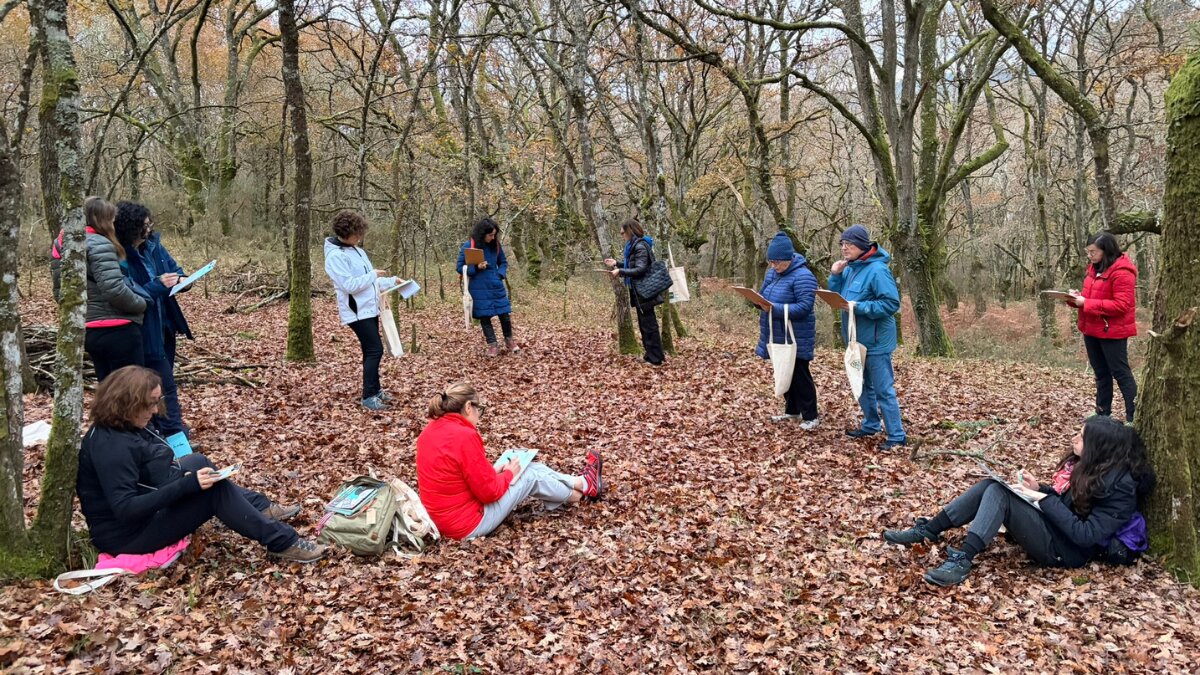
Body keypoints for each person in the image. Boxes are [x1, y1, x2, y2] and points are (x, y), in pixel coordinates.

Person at [75, 366, 326, 562]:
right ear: (127, 402)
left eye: (157, 401)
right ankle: (281, 542)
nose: (155, 410)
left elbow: (149, 470)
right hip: (127, 536)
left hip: (145, 513)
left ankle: (259, 508)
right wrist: (187, 486)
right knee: (212, 491)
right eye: (150, 403)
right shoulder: (111, 446)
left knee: (197, 461)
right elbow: (126, 508)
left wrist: (186, 479)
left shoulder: (126, 425)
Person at [883, 416, 1155, 586]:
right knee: (991, 485)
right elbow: (1069, 504)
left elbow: (1084, 535)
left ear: (1099, 448)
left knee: (999, 493)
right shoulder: (1090, 468)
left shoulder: (1119, 489)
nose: (1074, 438)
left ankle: (963, 560)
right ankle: (929, 530)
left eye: (1082, 436)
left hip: (1066, 551)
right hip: (1056, 532)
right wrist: (1040, 489)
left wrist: (1042, 499)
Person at [415, 381, 604, 540]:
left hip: (440, 521)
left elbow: (456, 477)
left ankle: (581, 486)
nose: (479, 415)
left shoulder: (428, 432)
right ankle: (581, 490)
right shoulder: (464, 435)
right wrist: (508, 474)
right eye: (479, 410)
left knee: (531, 467)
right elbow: (489, 493)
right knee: (529, 475)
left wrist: (494, 472)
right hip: (466, 525)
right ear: (468, 407)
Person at [114, 201, 194, 438]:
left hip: (164, 325)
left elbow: (176, 271)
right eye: (144, 225)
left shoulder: (154, 246)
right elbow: (129, 294)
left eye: (150, 224)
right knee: (160, 386)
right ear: (131, 228)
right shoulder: (120, 256)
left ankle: (168, 434)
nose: (149, 229)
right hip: (141, 330)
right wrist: (158, 285)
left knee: (162, 384)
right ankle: (174, 437)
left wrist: (183, 281)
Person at [52, 196, 149, 382]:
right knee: (131, 390)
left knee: (107, 389)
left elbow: (60, 293)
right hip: (118, 330)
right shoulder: (100, 244)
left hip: (89, 330)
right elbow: (114, 290)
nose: (113, 224)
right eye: (111, 220)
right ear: (102, 220)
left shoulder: (62, 245)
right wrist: (142, 304)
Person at [828, 224, 906, 449]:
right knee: (861, 386)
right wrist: (835, 275)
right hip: (856, 340)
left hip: (877, 341)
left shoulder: (878, 270)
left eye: (849, 244)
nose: (844, 248)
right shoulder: (850, 268)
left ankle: (897, 436)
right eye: (842, 244)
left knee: (883, 389)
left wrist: (858, 307)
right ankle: (871, 424)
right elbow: (839, 297)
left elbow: (890, 304)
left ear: (862, 246)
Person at [323, 210, 400, 411]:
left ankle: (375, 390)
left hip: (370, 308)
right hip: (356, 311)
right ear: (346, 233)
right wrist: (373, 275)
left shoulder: (357, 251)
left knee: (370, 350)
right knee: (376, 350)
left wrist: (392, 281)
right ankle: (368, 396)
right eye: (357, 234)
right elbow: (349, 285)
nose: (359, 237)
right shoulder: (335, 256)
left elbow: (370, 283)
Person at [1067, 232, 1138, 422]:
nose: (1090, 256)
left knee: (1120, 373)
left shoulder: (1123, 271)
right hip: (1091, 329)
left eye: (1093, 252)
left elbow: (1122, 305)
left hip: (1113, 331)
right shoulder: (1093, 269)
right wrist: (1076, 298)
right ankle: (1102, 412)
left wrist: (1086, 303)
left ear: (1106, 250)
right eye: (1088, 252)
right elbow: (1092, 297)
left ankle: (1134, 417)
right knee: (1100, 373)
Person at [756, 232, 819, 428]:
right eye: (771, 262)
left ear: (788, 259)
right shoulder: (772, 274)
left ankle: (811, 416)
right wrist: (758, 302)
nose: (774, 266)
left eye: (777, 262)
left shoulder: (803, 276)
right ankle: (792, 411)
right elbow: (763, 296)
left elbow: (804, 307)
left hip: (797, 335)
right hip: (777, 333)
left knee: (800, 375)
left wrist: (774, 309)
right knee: (785, 372)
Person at [604, 218, 664, 365]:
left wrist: (620, 271)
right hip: (640, 291)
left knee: (649, 326)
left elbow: (640, 269)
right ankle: (651, 356)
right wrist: (617, 264)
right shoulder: (634, 246)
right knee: (645, 325)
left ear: (630, 231)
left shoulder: (640, 246)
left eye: (623, 233)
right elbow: (633, 265)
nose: (622, 235)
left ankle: (655, 358)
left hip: (645, 291)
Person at [457, 217, 519, 357]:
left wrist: (500, 274)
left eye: (494, 235)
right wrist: (476, 267)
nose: (492, 238)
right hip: (478, 287)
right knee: (484, 317)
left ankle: (509, 341)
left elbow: (503, 262)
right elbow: (460, 267)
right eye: (490, 235)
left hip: (495, 284)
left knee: (504, 314)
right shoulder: (469, 246)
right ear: (482, 233)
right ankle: (492, 345)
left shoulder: (495, 245)